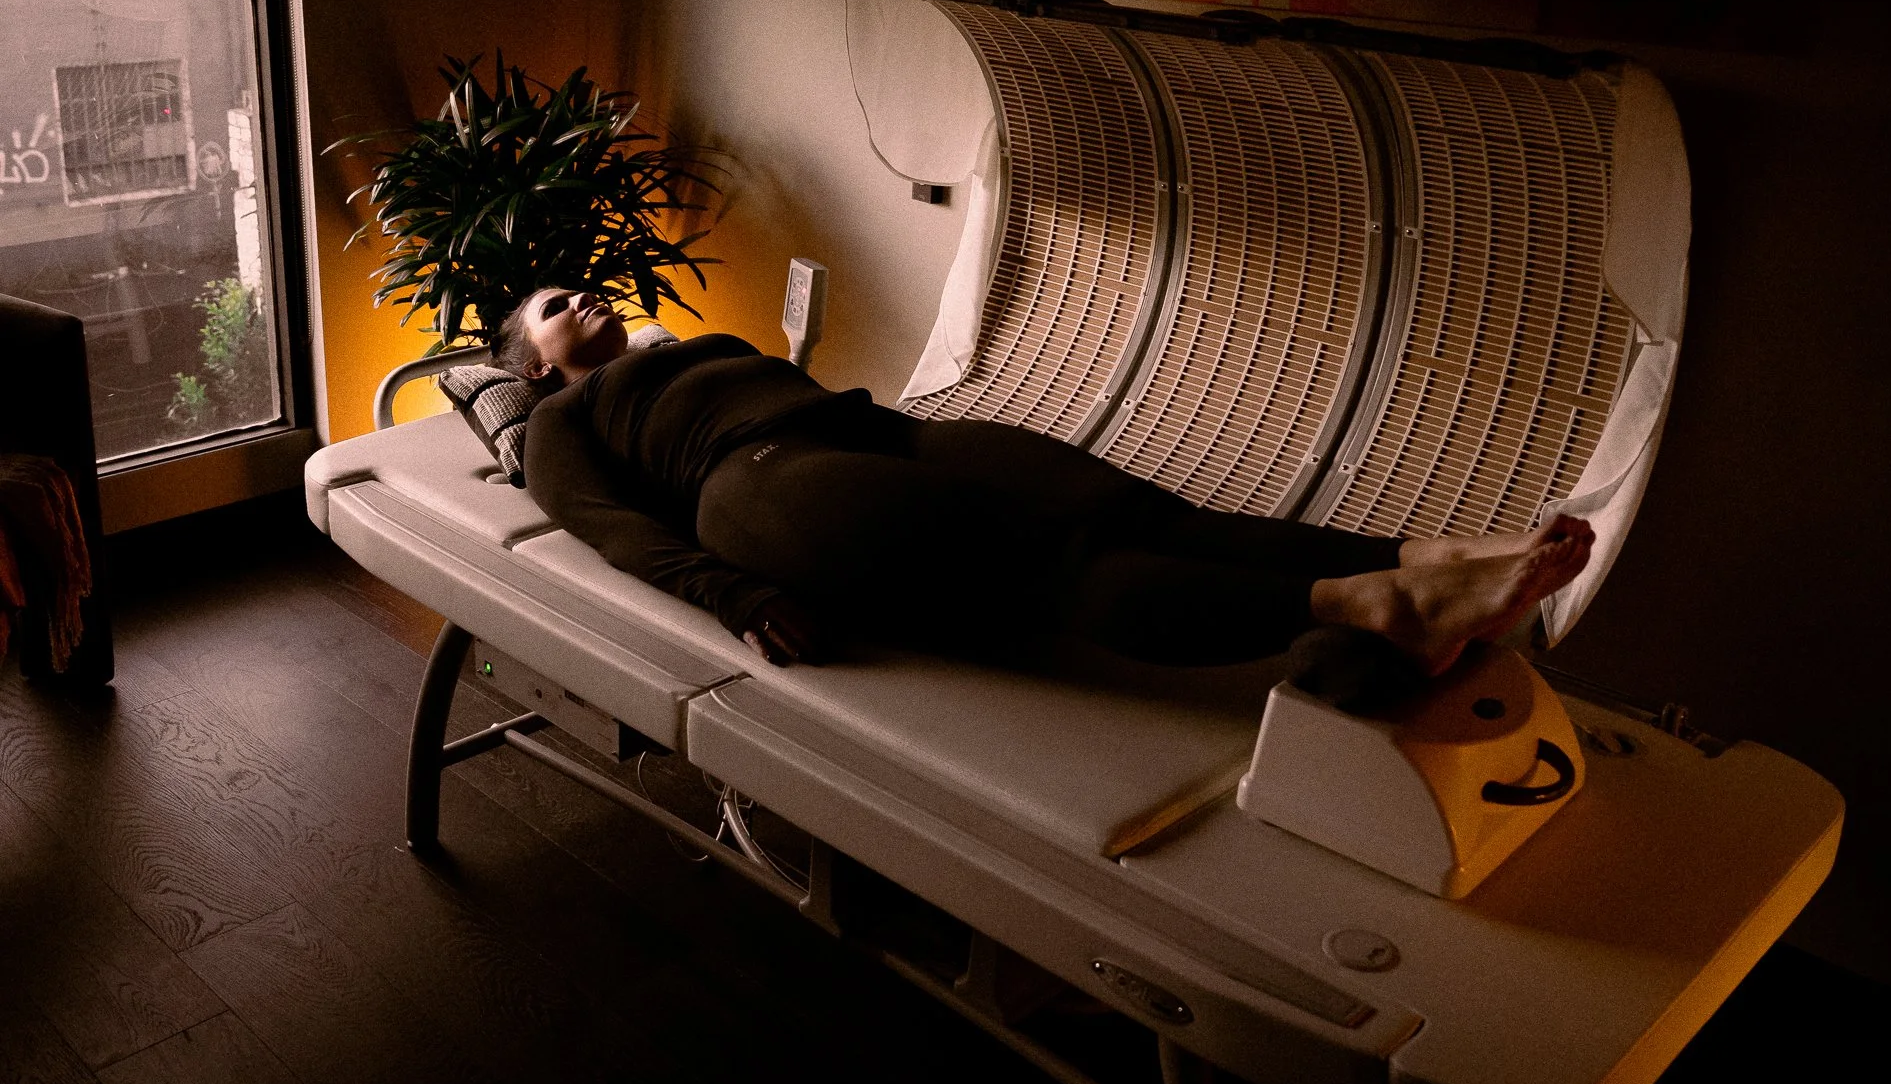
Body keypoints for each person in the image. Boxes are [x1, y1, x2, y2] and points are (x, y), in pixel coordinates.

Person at [503, 288, 1591, 696]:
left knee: (1141, 510)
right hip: (756, 487)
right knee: (1058, 569)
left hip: (879, 434)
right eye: (557, 303)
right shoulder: (558, 420)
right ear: (535, 362)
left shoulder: (695, 339)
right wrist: (729, 594)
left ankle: (1405, 555)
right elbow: (604, 531)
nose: (585, 296)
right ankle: (1364, 607)